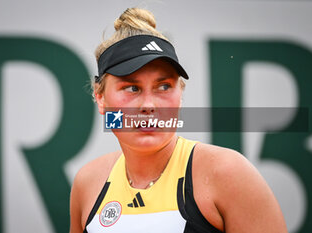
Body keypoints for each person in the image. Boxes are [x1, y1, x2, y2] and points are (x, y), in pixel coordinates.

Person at [70, 7, 287, 233]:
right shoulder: (88, 182)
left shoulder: (228, 173)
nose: (149, 105)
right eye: (132, 88)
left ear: (180, 95)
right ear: (100, 97)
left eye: (164, 86)